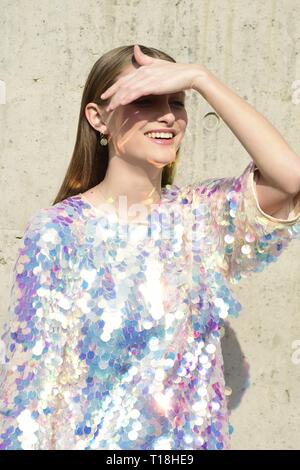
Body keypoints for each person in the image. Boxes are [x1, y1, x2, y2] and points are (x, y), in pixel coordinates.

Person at [1, 44, 300, 450]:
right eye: (144, 100)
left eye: (177, 102)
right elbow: (28, 394)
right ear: (98, 118)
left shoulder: (200, 218)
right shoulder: (59, 232)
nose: (167, 116)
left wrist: (201, 79)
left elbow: (289, 180)